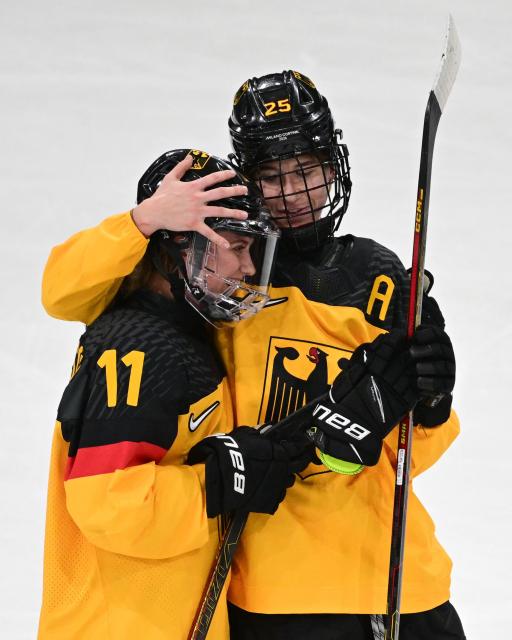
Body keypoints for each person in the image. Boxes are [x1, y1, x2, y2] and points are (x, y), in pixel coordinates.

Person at [40, 72, 466, 639]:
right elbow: (65, 292)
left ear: (333, 166)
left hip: (408, 581)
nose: (293, 192)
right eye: (272, 175)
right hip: (277, 593)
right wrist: (145, 221)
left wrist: (432, 400)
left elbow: (404, 453)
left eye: (307, 169)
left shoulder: (377, 276)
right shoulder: (222, 293)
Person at [38, 149, 312, 639]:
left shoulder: (192, 335)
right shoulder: (141, 345)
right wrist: (220, 479)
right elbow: (109, 502)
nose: (250, 269)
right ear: (179, 250)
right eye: (236, 247)